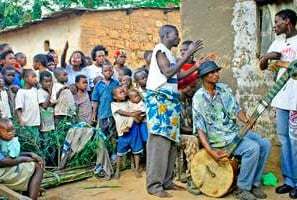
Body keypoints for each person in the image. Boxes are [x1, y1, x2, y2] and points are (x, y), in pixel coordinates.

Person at [193, 60, 271, 200]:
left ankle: (254, 183)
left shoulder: (224, 89)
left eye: (217, 71)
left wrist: (246, 121)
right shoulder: (198, 98)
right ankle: (242, 188)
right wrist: (210, 150)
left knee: (265, 144)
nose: (216, 74)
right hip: (218, 138)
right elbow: (200, 127)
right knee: (252, 148)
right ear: (203, 76)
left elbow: (236, 109)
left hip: (233, 131)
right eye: (212, 72)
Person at [145, 24, 203, 198]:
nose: (179, 38)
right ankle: (154, 185)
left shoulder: (169, 54)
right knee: (159, 143)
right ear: (166, 35)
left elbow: (176, 76)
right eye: (176, 35)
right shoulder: (160, 50)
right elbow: (168, 71)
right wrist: (187, 54)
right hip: (159, 102)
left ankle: (167, 181)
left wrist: (195, 66)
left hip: (169, 103)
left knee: (170, 142)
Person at [259, 9, 297, 199]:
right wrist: (267, 57)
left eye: (277, 22)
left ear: (288, 22)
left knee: (296, 140)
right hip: (281, 98)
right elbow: (262, 66)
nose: (274, 26)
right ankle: (289, 181)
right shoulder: (277, 42)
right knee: (284, 139)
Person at [0, 118, 44, 200]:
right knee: (38, 166)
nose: (10, 133)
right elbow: (2, 161)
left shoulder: (8, 141)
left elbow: (11, 155)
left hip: (4, 167)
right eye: (7, 131)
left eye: (12, 130)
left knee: (35, 162)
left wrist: (29, 154)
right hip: (2, 171)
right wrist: (25, 159)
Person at [111, 86, 143, 179]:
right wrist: (133, 114)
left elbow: (137, 112)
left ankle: (136, 169)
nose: (123, 93)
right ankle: (117, 171)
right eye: (120, 92)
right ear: (115, 97)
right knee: (120, 152)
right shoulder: (114, 104)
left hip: (134, 129)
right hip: (122, 131)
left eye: (123, 92)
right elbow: (121, 112)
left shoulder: (129, 102)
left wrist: (136, 114)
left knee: (136, 150)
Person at [15, 69, 42, 156]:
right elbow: (18, 109)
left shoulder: (35, 90)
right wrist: (21, 121)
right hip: (27, 125)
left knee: (36, 144)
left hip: (35, 124)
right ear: (26, 78)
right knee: (29, 145)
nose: (35, 79)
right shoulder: (21, 92)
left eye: (36, 77)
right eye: (33, 76)